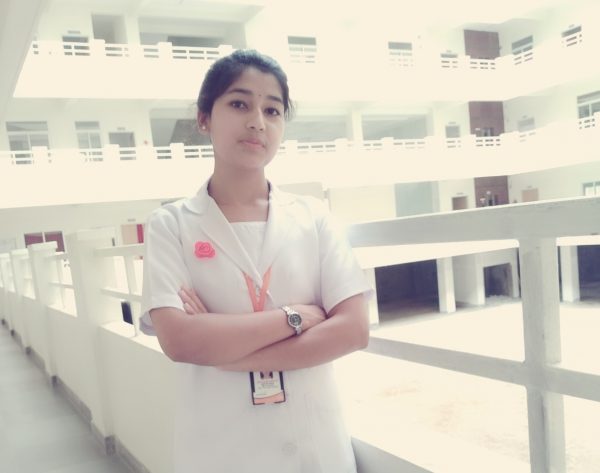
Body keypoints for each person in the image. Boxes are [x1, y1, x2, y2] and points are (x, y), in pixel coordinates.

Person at [140, 49, 372, 473]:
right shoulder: (170, 224)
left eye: (272, 110)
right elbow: (180, 341)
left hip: (315, 448)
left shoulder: (314, 216)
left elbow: (354, 329)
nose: (257, 122)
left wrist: (225, 351)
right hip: (221, 450)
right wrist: (295, 318)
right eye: (239, 103)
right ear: (204, 118)